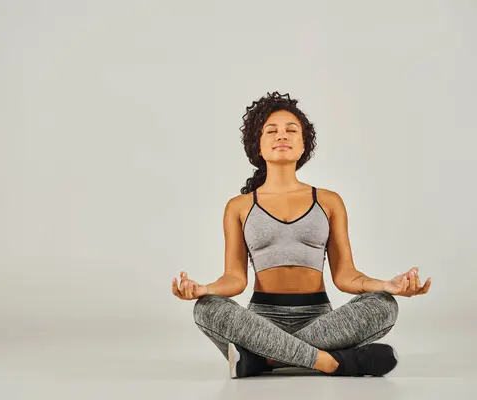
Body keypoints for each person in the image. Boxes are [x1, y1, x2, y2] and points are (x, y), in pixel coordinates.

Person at [171, 91, 431, 379]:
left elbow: (345, 276)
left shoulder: (329, 201)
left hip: (321, 321)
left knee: (384, 305)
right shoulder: (239, 207)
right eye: (271, 130)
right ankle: (334, 363)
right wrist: (203, 290)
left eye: (291, 130)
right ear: (257, 144)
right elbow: (235, 279)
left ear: (304, 143)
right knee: (206, 309)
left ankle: (263, 360)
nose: (281, 135)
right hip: (260, 322)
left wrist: (387, 284)